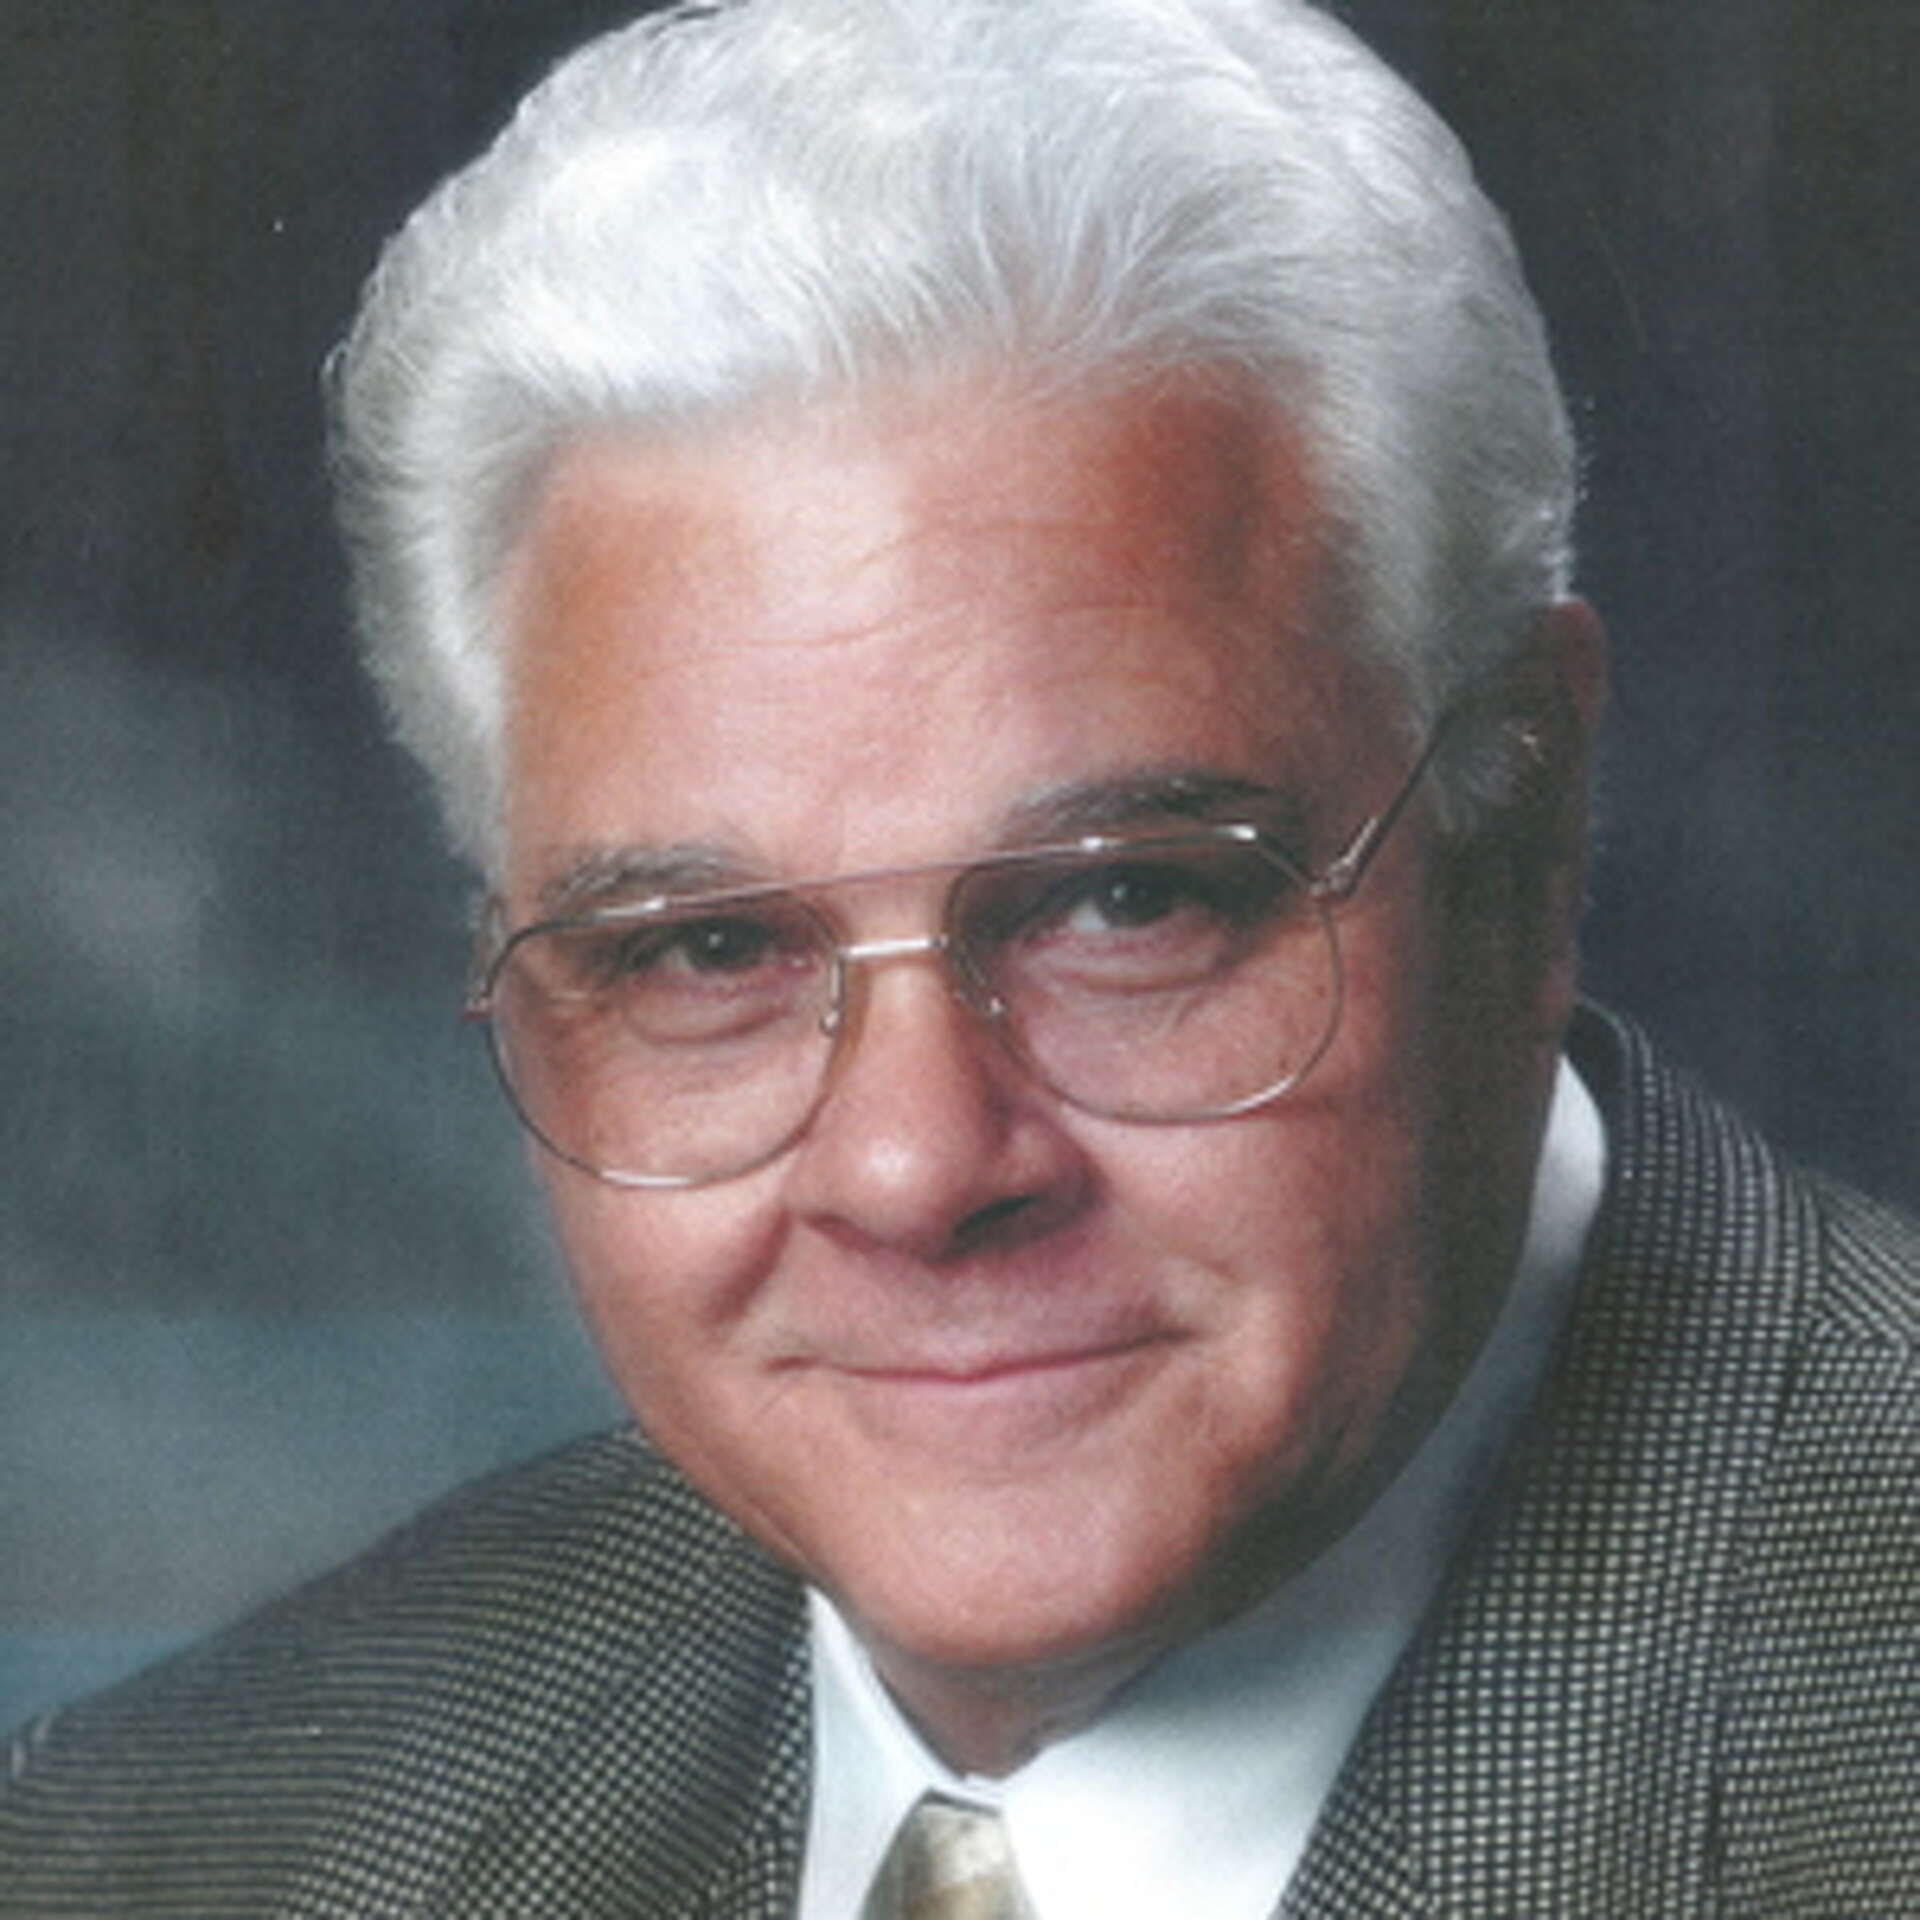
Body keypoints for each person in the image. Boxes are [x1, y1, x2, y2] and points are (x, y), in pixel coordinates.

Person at [2, 0, 1912, 1911]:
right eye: (707, 948)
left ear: (1528, 832)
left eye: (1124, 903)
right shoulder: (156, 1842)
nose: (916, 1168)